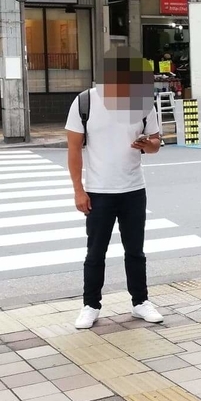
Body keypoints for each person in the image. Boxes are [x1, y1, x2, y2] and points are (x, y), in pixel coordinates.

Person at [66, 47, 164, 330]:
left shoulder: (144, 102)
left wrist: (149, 145)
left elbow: (156, 144)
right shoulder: (85, 102)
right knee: (95, 252)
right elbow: (73, 149)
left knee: (136, 251)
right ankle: (90, 305)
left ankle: (140, 302)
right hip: (98, 191)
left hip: (134, 189)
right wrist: (78, 190)